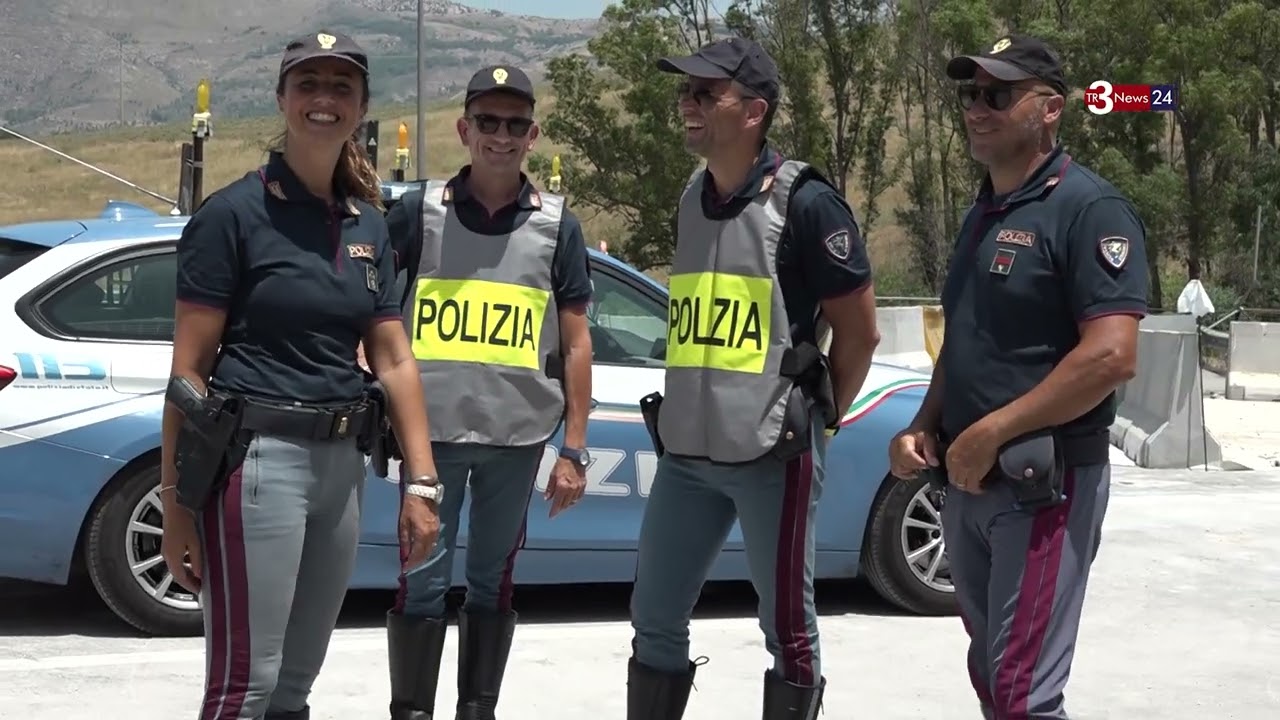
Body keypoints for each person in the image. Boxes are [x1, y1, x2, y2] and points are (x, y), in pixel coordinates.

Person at [159, 30, 442, 720]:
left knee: (294, 687)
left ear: (362, 105)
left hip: (341, 467)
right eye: (308, 84)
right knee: (244, 689)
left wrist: (423, 482)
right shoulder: (232, 216)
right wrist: (174, 504)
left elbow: (395, 359)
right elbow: (188, 373)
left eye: (341, 87)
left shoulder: (368, 223)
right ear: (282, 98)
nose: (324, 99)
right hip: (258, 464)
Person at [888, 33, 1149, 720]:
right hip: (966, 483)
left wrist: (994, 432)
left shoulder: (1089, 210)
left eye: (998, 94)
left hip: (1044, 483)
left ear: (1050, 109)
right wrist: (924, 426)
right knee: (993, 669)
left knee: (1021, 690)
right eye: (971, 94)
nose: (978, 107)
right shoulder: (984, 211)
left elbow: (1112, 355)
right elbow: (967, 339)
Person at [626, 37, 881, 720]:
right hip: (687, 455)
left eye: (707, 94)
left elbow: (859, 333)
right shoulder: (691, 196)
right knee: (652, 615)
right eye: (686, 92)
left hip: (773, 456)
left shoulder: (807, 203)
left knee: (787, 631)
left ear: (754, 111)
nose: (688, 104)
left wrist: (818, 424)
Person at [380, 63, 594, 720]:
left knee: (490, 585)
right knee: (420, 583)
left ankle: (478, 709)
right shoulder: (418, 212)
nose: (500, 137)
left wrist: (575, 448)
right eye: (488, 123)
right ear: (463, 129)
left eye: (515, 125)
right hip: (431, 439)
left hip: (516, 438)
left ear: (532, 136)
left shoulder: (558, 227)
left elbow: (578, 341)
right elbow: (381, 321)